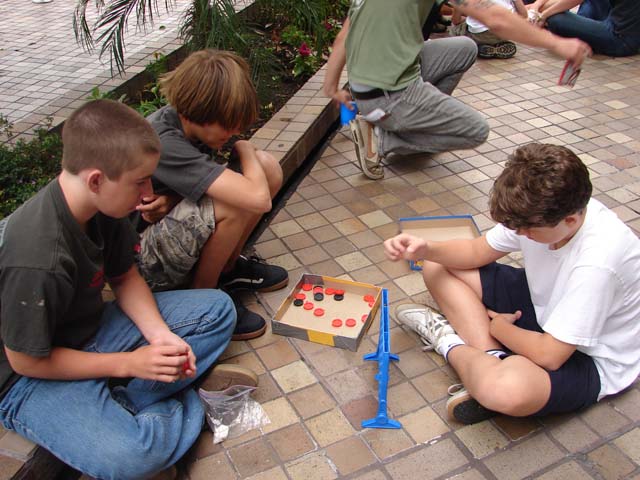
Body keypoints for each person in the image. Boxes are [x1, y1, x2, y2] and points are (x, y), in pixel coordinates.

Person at [0, 100, 258, 479]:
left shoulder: (101, 206)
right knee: (134, 457)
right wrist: (127, 363)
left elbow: (124, 277)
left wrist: (161, 337)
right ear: (95, 180)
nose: (147, 192)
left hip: (91, 333)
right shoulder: (37, 256)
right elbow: (26, 361)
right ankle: (186, 402)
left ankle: (127, 400)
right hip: (28, 377)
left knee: (217, 309)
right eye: (140, 182)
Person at [384, 143, 640, 424]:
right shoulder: (538, 210)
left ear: (569, 220)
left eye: (527, 230)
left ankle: (450, 343)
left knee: (506, 390)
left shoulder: (597, 263)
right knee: (437, 264)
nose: (520, 234)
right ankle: (491, 356)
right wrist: (426, 249)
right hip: (545, 305)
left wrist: (500, 328)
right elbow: (475, 251)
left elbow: (550, 355)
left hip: (589, 356)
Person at [323, 0, 592, 180]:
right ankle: (381, 141)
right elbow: (495, 17)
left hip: (375, 81)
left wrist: (332, 86)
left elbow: (345, 34)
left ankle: (419, 117)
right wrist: (556, 43)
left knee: (465, 47)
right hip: (388, 93)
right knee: (475, 130)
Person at [134, 50, 288, 341]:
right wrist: (244, 147)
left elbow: (191, 183)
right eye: (228, 125)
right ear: (199, 110)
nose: (235, 131)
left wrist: (172, 200)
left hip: (163, 232)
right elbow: (258, 199)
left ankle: (227, 268)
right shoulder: (163, 140)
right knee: (237, 199)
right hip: (140, 262)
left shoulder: (192, 125)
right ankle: (203, 301)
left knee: (267, 167)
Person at [528, 0, 640, 57]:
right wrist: (536, 5)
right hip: (614, 21)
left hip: (620, 39)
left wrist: (543, 16)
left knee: (555, 19)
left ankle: (578, 32)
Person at [451, 0, 529, 59]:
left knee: (455, 27)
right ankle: (497, 46)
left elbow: (456, 20)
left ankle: (478, 46)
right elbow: (524, 15)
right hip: (506, 32)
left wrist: (467, 19)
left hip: (481, 34)